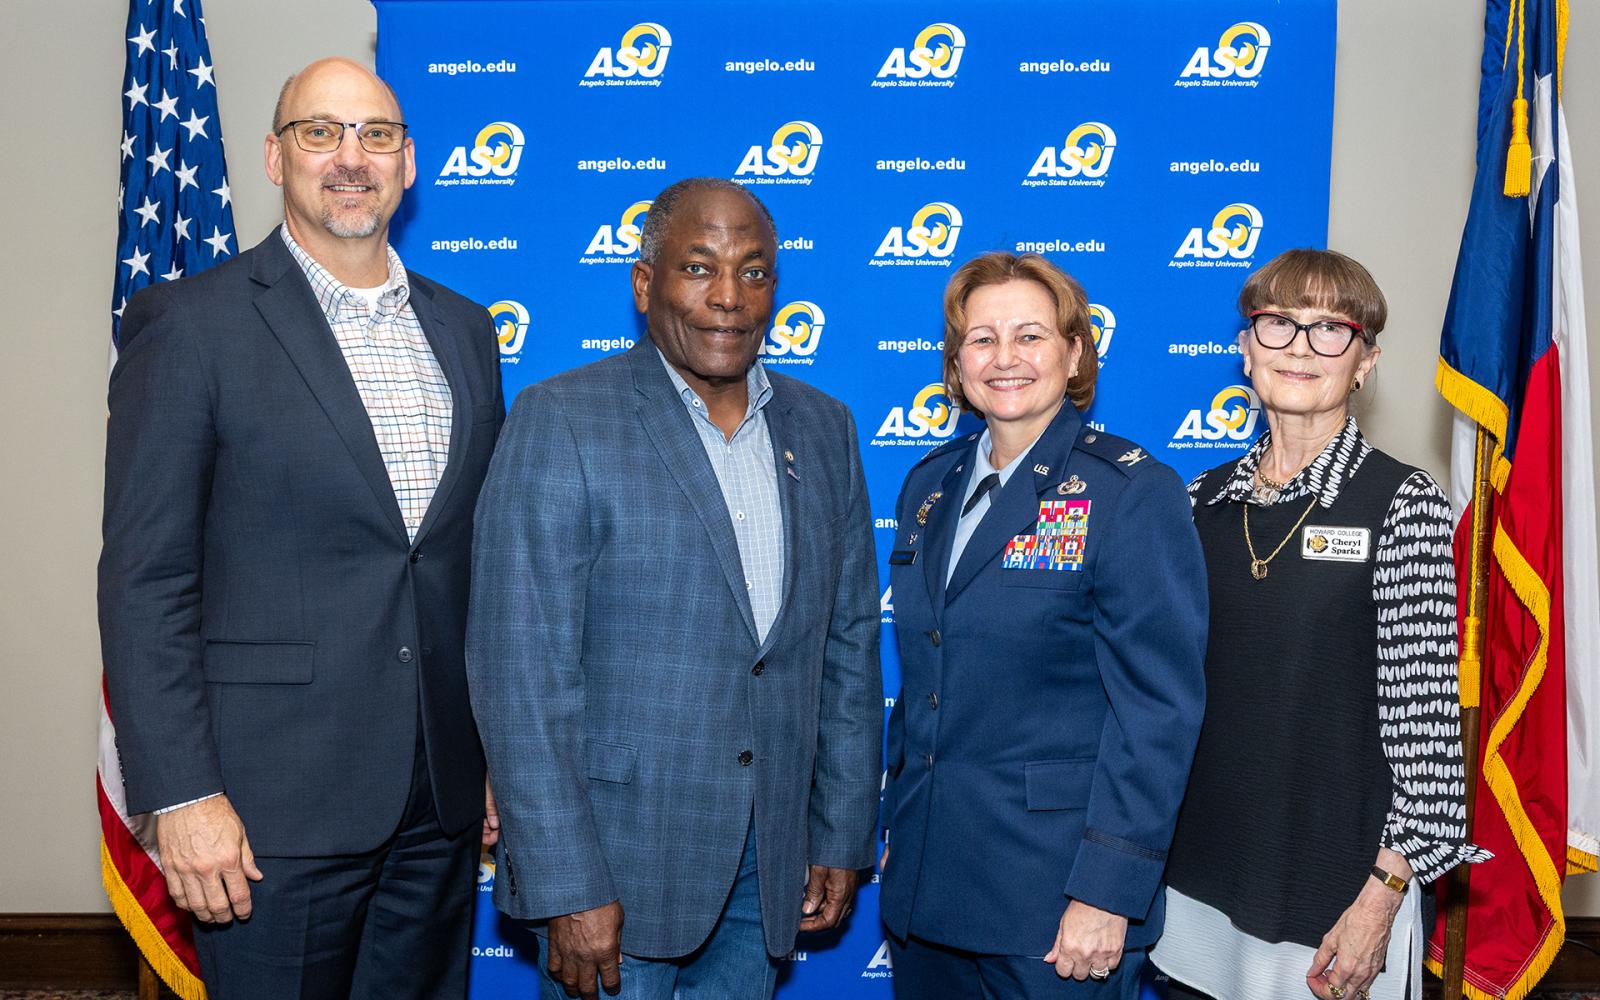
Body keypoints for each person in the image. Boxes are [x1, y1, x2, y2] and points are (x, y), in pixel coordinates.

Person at [99, 57, 504, 999]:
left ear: (409, 165)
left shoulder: (467, 332)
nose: (350, 158)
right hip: (262, 812)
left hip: (436, 805)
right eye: (320, 132)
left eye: (375, 136)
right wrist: (181, 793)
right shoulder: (189, 324)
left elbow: (470, 568)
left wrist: (493, 758)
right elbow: (145, 580)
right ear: (276, 159)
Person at [466, 177, 882, 1000]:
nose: (728, 298)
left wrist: (840, 831)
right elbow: (521, 673)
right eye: (698, 268)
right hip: (615, 869)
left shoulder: (824, 427)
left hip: (768, 870)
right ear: (645, 281)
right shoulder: (563, 419)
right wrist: (565, 883)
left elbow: (848, 646)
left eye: (754, 272)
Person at [1149, 249, 1486, 1000]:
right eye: (1278, 324)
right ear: (1245, 349)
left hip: (1331, 901)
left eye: (1331, 329)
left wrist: (1380, 899)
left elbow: (1427, 735)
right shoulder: (1197, 501)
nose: (1301, 347)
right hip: (1198, 887)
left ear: (1365, 361)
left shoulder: (1403, 502)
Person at [878, 251, 1208, 999]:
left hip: (1055, 907)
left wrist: (1108, 891)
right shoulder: (927, 485)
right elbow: (926, 680)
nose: (1005, 359)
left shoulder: (1129, 493)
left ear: (1075, 352)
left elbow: (1158, 713)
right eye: (982, 338)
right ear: (957, 364)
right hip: (930, 891)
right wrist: (904, 832)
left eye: (1030, 335)